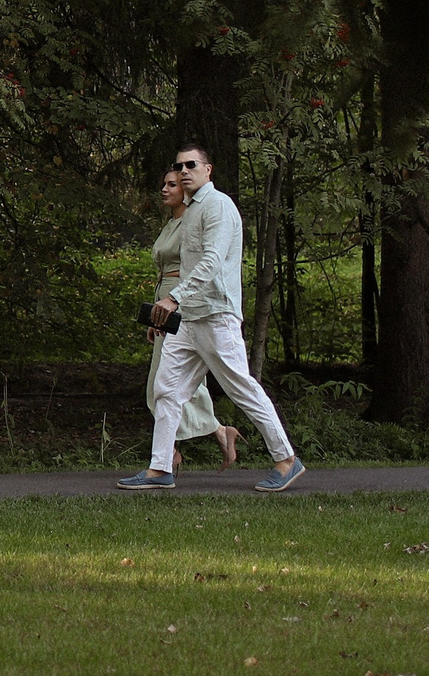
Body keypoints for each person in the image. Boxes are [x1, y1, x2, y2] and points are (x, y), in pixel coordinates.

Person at [118, 141, 306, 493]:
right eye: (180, 165)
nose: (185, 170)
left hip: (216, 316)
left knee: (242, 389)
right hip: (187, 320)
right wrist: (173, 308)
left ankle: (286, 459)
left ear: (208, 170)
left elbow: (212, 262)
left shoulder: (218, 206)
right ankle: (160, 468)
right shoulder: (190, 211)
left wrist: (173, 298)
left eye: (192, 165)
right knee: (167, 390)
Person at [147, 168, 240, 471]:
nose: (165, 189)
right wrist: (155, 313)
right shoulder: (170, 223)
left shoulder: (191, 221)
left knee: (168, 380)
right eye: (164, 183)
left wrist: (174, 302)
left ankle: (170, 453)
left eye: (171, 184)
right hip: (164, 299)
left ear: (186, 191)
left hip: (182, 299)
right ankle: (214, 433)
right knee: (171, 379)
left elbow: (202, 264)